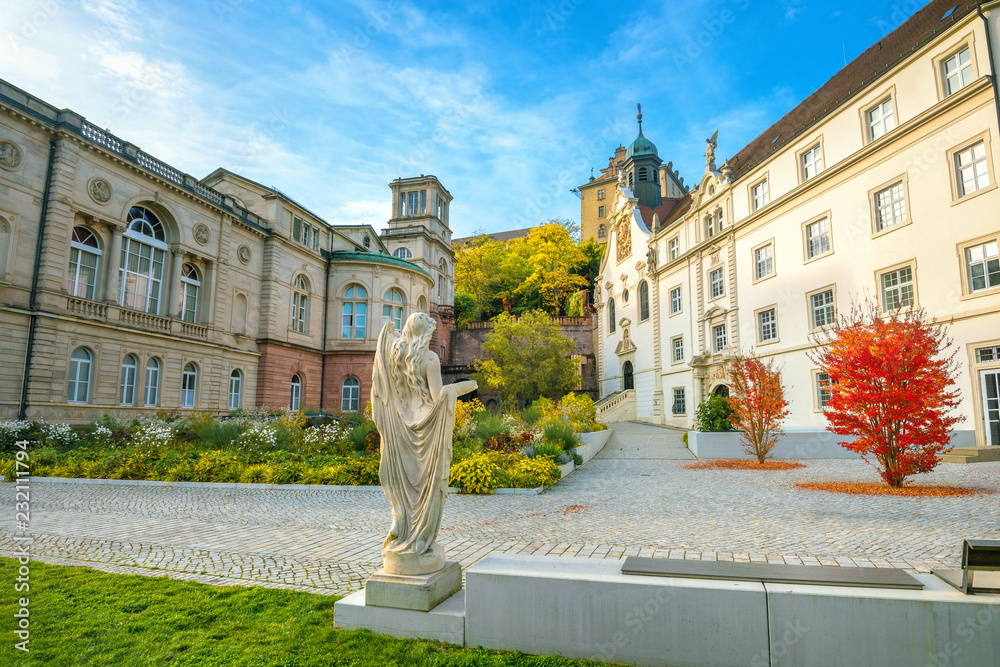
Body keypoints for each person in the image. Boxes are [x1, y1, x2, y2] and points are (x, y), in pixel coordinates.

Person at [371, 313, 477, 575]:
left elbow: (380, 390)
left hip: (398, 429)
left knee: (404, 487)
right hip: (425, 430)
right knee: (426, 490)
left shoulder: (391, 352)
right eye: (430, 333)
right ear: (424, 334)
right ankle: (419, 540)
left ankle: (401, 527)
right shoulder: (429, 358)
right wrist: (465, 386)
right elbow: (437, 396)